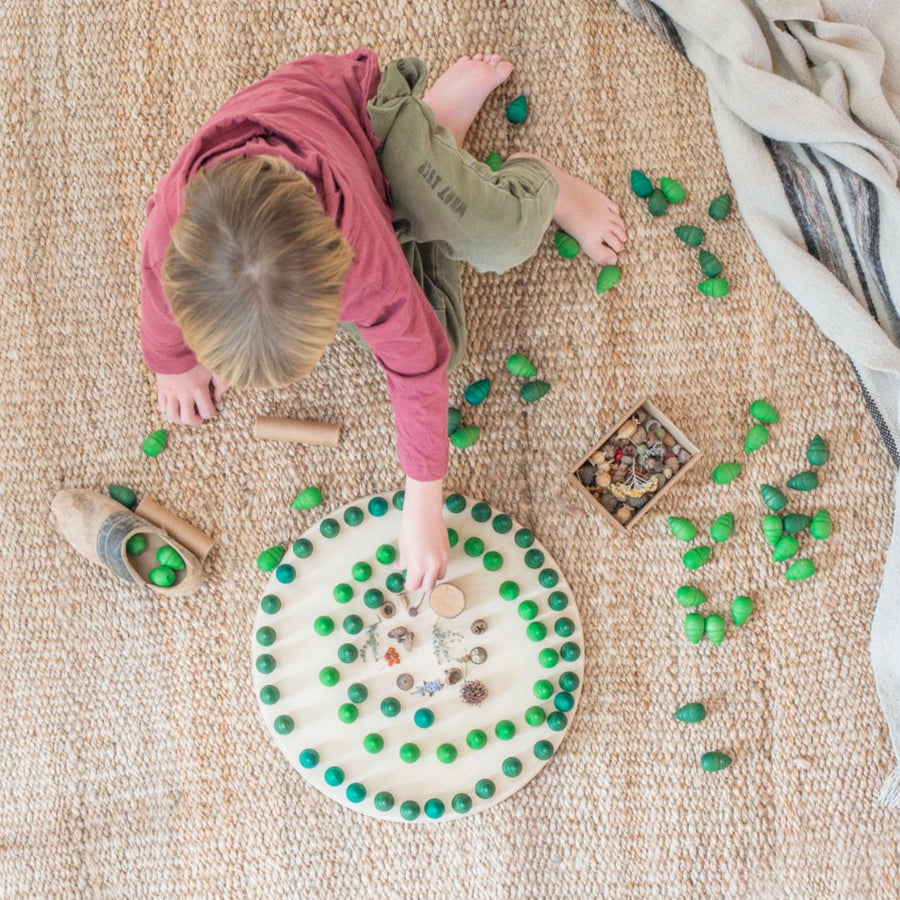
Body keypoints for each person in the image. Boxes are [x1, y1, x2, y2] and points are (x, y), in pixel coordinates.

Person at [140, 49, 626, 593]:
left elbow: (418, 367)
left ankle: (499, 162)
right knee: (443, 333)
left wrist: (423, 503)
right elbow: (159, 300)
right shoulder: (170, 235)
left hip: (369, 124)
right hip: (329, 181)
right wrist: (174, 363)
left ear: (338, 275)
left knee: (499, 238)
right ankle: (438, 147)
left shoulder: (363, 260)